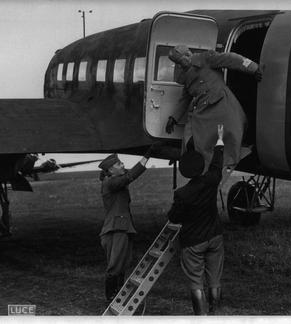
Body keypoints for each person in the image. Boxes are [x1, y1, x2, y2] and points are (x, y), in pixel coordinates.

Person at [165, 45, 262, 175]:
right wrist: (174, 118)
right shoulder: (185, 75)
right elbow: (185, 98)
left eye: (183, 59)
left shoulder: (206, 58)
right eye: (179, 62)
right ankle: (201, 169)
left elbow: (231, 59)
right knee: (191, 137)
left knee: (231, 133)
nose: (183, 63)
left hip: (222, 105)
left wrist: (253, 67)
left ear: (189, 53)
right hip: (203, 110)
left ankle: (224, 162)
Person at [167, 125, 225, 315]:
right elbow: (217, 164)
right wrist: (219, 142)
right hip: (215, 237)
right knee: (214, 280)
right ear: (201, 167)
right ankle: (214, 315)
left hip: (193, 243)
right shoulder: (211, 180)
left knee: (196, 283)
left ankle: (200, 318)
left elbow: (174, 217)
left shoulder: (182, 194)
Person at [98, 147, 154, 302]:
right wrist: (146, 156)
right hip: (116, 229)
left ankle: (118, 296)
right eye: (119, 164)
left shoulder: (113, 180)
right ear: (110, 169)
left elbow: (126, 176)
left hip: (122, 227)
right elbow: (129, 177)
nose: (122, 165)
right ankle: (111, 298)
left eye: (122, 162)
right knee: (115, 265)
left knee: (122, 264)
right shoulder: (110, 182)